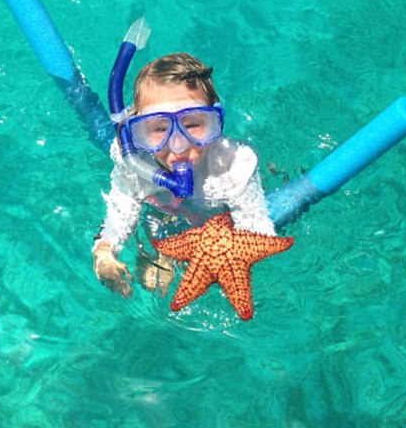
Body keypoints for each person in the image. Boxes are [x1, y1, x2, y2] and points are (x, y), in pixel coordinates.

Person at [92, 52, 277, 298]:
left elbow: (257, 230)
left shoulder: (233, 164)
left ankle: (170, 255)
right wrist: (105, 251)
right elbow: (121, 210)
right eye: (158, 128)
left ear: (214, 123)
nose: (178, 144)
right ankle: (163, 254)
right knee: (150, 276)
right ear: (137, 132)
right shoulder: (134, 160)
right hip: (162, 214)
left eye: (192, 125)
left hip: (217, 220)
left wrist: (212, 261)